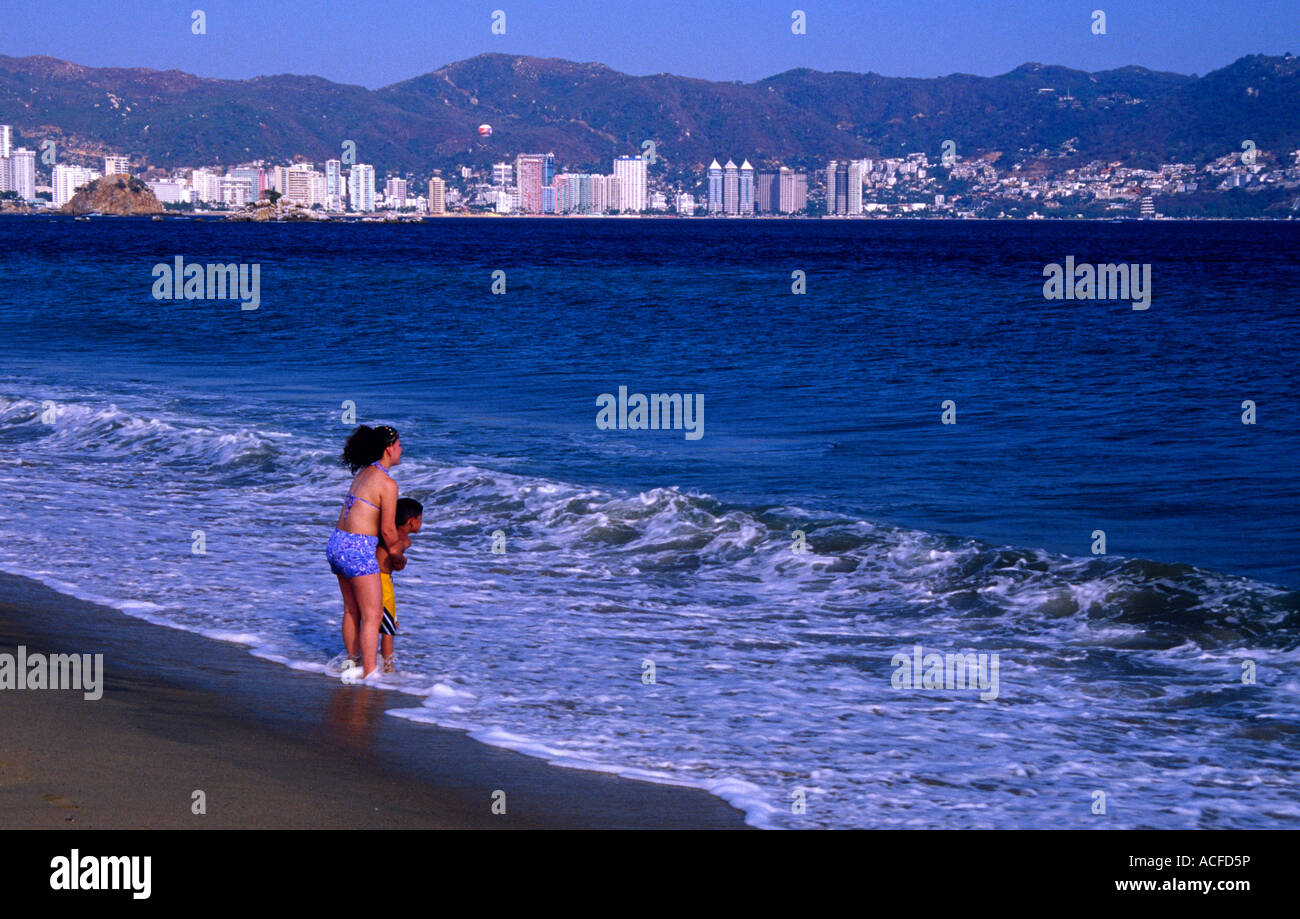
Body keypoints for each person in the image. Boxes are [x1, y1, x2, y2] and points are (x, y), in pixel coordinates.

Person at [326, 424, 404, 680]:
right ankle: (370, 673)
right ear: (389, 448)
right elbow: (389, 531)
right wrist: (397, 556)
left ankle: (353, 661)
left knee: (351, 610)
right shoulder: (387, 484)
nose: (401, 450)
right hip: (357, 549)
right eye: (400, 445)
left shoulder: (362, 474)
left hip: (336, 543)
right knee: (373, 614)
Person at [376, 498, 424, 673]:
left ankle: (360, 660)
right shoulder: (403, 539)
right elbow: (395, 551)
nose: (421, 524)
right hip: (382, 581)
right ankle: (388, 670)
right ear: (412, 522)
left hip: (368, 576)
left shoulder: (384, 532)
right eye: (420, 520)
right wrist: (400, 561)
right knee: (389, 628)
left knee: (370, 621)